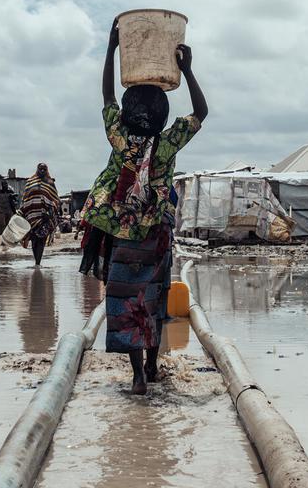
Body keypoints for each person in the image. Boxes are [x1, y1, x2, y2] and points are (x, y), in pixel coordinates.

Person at [81, 20, 208, 396]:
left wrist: (111, 50)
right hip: (156, 238)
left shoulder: (119, 138)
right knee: (152, 301)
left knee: (126, 302)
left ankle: (138, 375)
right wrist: (187, 70)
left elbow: (106, 96)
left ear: (127, 110)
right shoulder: (166, 145)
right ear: (163, 115)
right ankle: (153, 367)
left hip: (123, 237)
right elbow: (201, 112)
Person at [20, 163, 61, 266]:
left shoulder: (50, 183)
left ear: (47, 170)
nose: (42, 171)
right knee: (34, 240)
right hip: (32, 216)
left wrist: (49, 213)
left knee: (41, 240)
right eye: (40, 169)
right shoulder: (30, 182)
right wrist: (23, 212)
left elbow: (55, 200)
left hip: (45, 217)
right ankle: (36, 262)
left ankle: (38, 262)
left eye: (44, 169)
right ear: (37, 169)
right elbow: (25, 198)